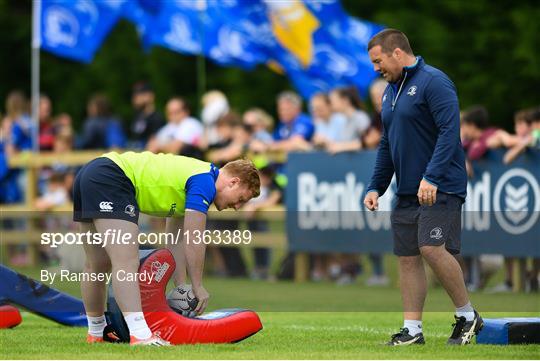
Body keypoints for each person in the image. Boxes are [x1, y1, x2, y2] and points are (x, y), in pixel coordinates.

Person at [363, 29, 482, 346]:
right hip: (406, 190)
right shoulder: (389, 92)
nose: (376, 68)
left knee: (431, 248)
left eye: (378, 61)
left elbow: (449, 131)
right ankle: (413, 331)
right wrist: (376, 185)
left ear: (397, 53)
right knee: (407, 256)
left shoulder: (435, 81)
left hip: (440, 184)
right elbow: (388, 145)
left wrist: (432, 176)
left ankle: (468, 316)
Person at [73, 151, 260, 345]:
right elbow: (194, 238)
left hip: (92, 172)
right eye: (241, 199)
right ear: (234, 182)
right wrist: (197, 286)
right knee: (126, 261)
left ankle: (96, 332)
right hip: (112, 176)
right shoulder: (205, 181)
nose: (237, 207)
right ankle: (140, 335)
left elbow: (176, 240)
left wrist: (180, 286)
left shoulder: (195, 176)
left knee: (97, 264)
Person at [325, 86, 372, 154]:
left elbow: (368, 142)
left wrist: (341, 147)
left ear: (345, 100)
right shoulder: (344, 120)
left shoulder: (360, 117)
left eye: (333, 100)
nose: (331, 104)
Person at [130, 82, 165, 149]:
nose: (135, 98)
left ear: (150, 96)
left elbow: (155, 144)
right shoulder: (138, 116)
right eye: (135, 95)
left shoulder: (157, 119)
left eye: (139, 94)